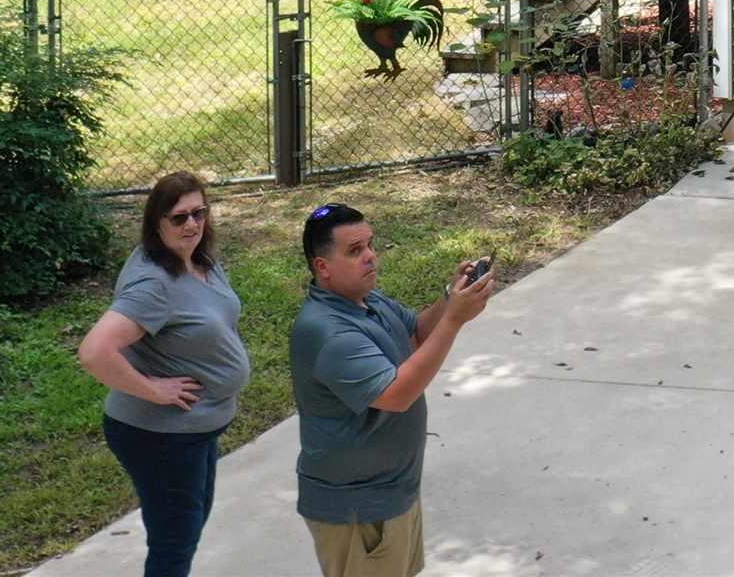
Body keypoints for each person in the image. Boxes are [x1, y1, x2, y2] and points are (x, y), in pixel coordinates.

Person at [288, 202, 496, 577]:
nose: (370, 257)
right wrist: (454, 319)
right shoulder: (328, 331)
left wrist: (452, 297)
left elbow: (415, 334)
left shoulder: (366, 300)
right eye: (355, 251)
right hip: (360, 509)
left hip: (391, 494)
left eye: (369, 245)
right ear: (322, 267)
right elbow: (397, 394)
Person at [76, 172, 250, 577]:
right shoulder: (154, 284)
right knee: (174, 544)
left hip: (194, 429)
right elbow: (94, 351)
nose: (191, 224)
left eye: (198, 213)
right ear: (156, 223)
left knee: (188, 524)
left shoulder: (197, 259)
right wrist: (153, 390)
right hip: (160, 436)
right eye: (178, 217)